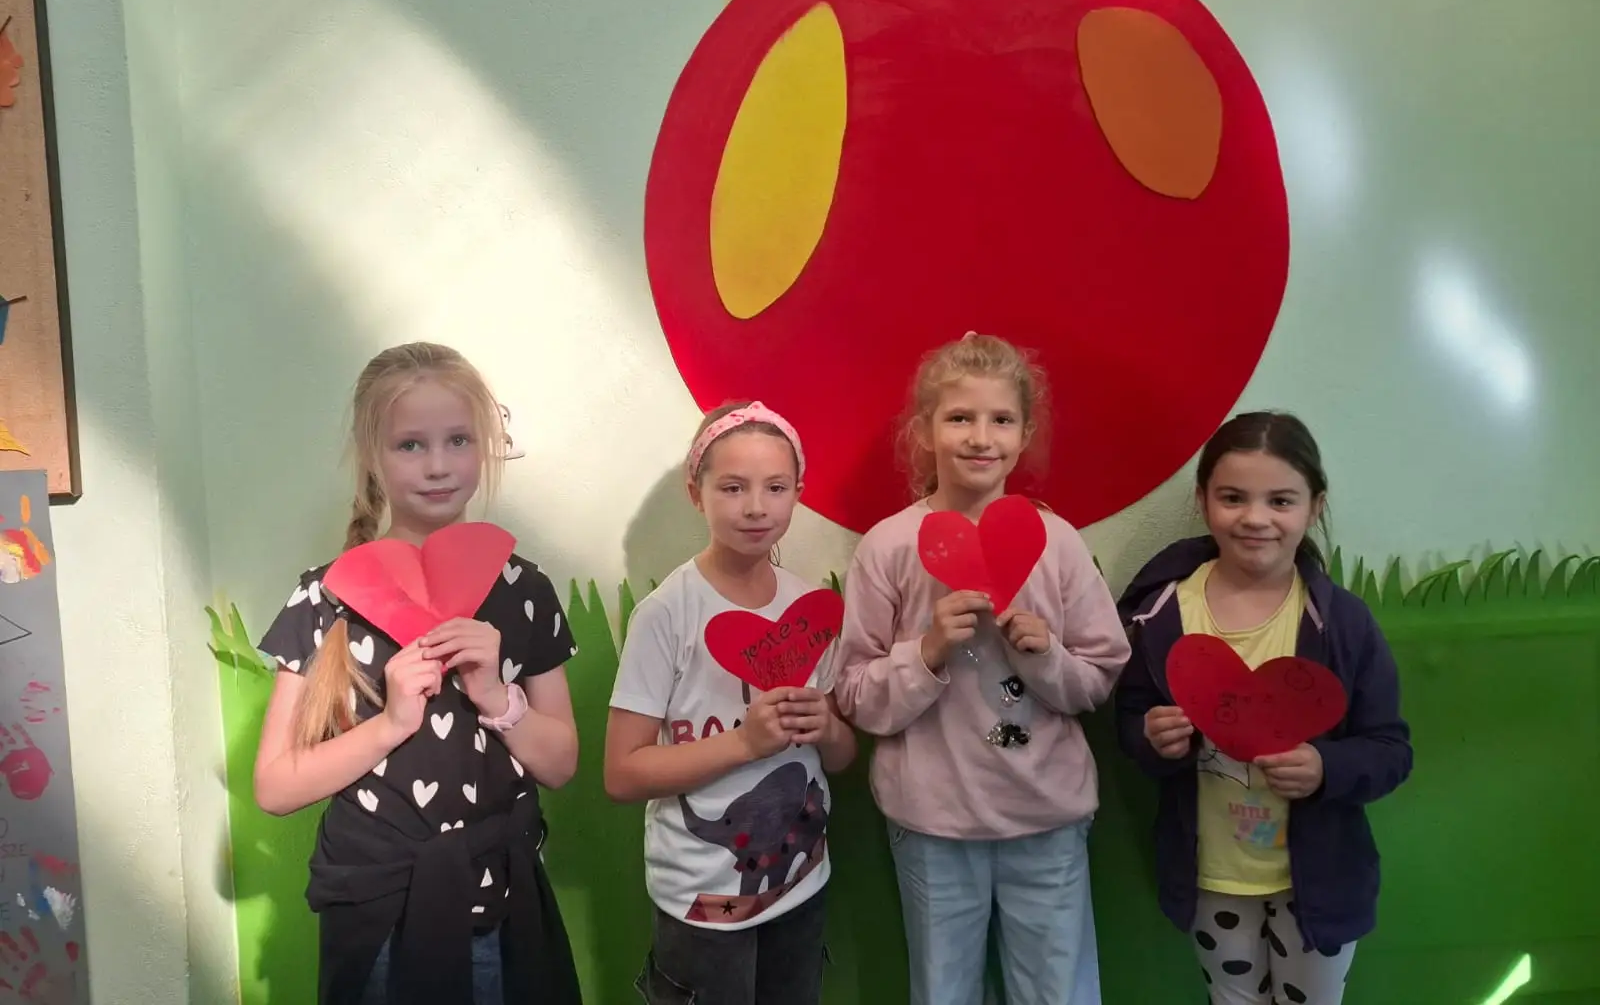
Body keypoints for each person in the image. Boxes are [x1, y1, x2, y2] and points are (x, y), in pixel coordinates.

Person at [252, 342, 583, 1005]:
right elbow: (275, 787)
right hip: (377, 913)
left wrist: (496, 697)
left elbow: (562, 763)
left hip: (499, 902)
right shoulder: (325, 598)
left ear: (486, 447)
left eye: (458, 440)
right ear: (371, 455)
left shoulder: (524, 591)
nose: (438, 465)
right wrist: (391, 725)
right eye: (410, 445)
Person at [834, 333, 1130, 1005]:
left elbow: (1099, 678)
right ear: (924, 431)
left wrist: (1046, 655)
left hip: (1047, 819)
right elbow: (854, 694)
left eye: (1001, 419)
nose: (980, 437)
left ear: (1025, 435)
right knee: (944, 990)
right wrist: (927, 652)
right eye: (959, 417)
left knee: (1056, 991)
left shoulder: (1057, 543)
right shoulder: (888, 547)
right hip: (933, 824)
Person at [1115, 411, 1412, 1005]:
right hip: (1213, 878)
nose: (1255, 518)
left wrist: (1325, 768)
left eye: (1280, 501)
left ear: (1314, 507)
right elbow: (1131, 719)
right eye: (1233, 497)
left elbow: (1390, 750)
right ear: (1203, 501)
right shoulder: (1163, 614)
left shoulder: (1342, 623)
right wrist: (1151, 737)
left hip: (1317, 884)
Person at [605, 401, 856, 1005]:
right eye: (733, 487)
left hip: (801, 886)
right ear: (697, 494)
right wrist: (744, 742)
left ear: (798, 494)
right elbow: (623, 772)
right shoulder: (667, 615)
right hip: (703, 906)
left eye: (775, 487)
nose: (756, 507)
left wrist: (828, 729)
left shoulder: (808, 610)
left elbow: (843, 756)